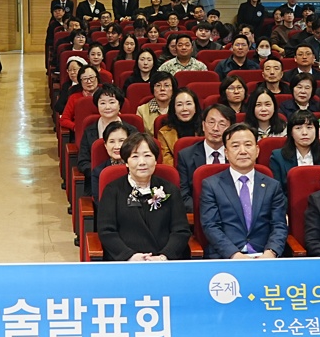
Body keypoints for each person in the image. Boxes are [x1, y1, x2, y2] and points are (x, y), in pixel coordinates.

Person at [95, 132, 190, 262]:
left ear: (155, 160)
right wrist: (130, 256)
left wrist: (163, 256)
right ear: (126, 162)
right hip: (126, 262)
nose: (142, 162)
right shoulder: (113, 190)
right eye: (135, 156)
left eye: (147, 156)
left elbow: (181, 231)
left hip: (163, 262)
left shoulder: (170, 189)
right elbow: (106, 231)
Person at [198, 123, 287, 258]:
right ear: (226, 153)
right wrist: (234, 254)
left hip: (263, 256)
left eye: (248, 145)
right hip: (226, 258)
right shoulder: (211, 185)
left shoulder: (272, 186)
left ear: (257, 150)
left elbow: (279, 225)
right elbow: (211, 226)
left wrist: (270, 252)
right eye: (235, 146)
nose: (243, 151)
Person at [175, 103, 235, 211]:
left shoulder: (237, 154)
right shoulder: (186, 156)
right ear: (203, 125)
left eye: (222, 124)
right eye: (211, 122)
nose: (216, 128)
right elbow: (183, 196)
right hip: (199, 214)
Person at [268, 109, 320, 191]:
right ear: (291, 132)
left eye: (309, 127)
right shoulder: (278, 157)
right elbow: (278, 192)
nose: (304, 132)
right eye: (298, 128)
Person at [155, 87, 202, 165]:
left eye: (189, 104)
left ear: (195, 107)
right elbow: (168, 164)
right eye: (179, 105)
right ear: (174, 109)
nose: (184, 109)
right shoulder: (164, 133)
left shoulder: (206, 128)